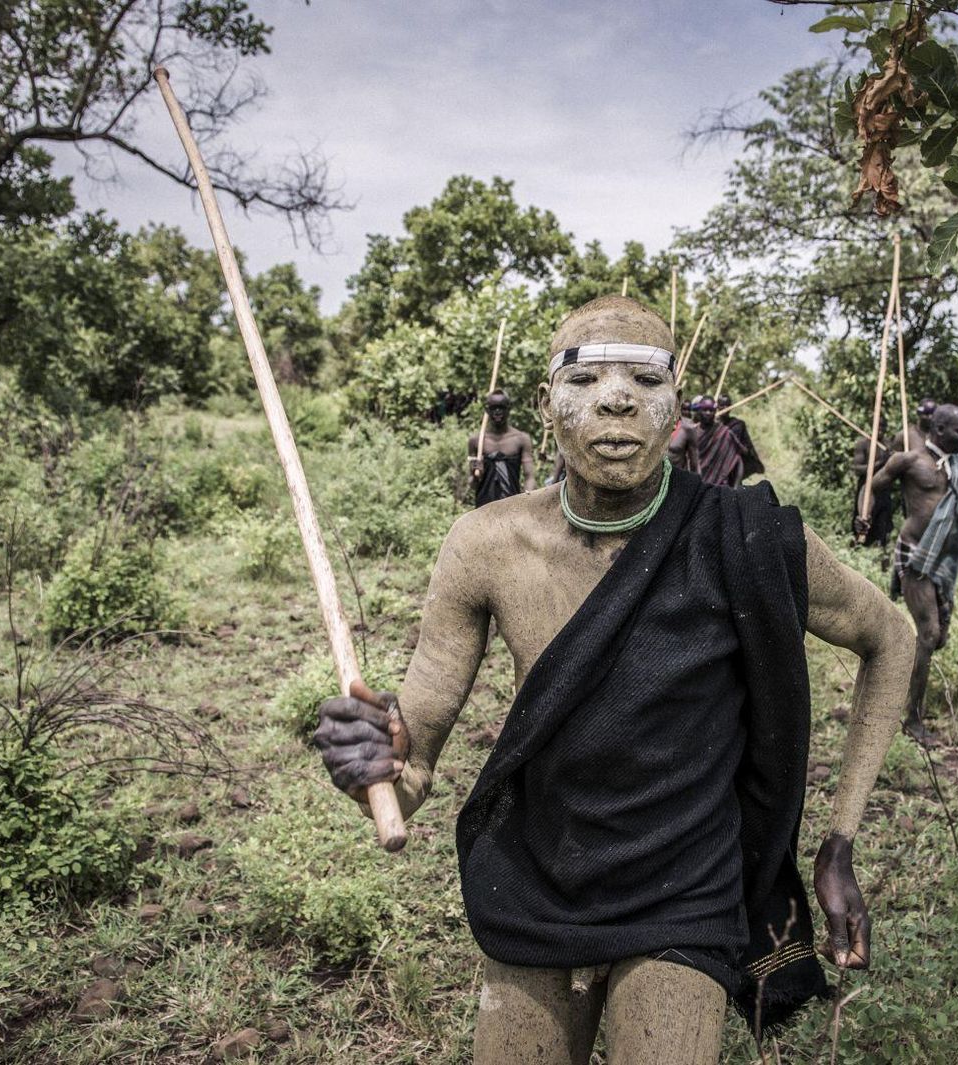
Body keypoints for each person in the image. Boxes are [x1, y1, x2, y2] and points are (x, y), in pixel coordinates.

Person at [311, 295, 915, 1064]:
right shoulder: (487, 543)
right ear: (547, 406)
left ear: (674, 408)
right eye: (586, 375)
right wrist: (377, 761)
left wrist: (839, 842)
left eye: (644, 375)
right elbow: (415, 762)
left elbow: (891, 638)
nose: (617, 395)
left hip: (683, 889)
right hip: (535, 877)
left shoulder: (744, 536)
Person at [865, 404, 958, 744]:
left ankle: (898, 674)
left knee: (937, 638)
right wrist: (865, 518)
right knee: (929, 635)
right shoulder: (909, 461)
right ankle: (912, 720)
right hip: (916, 554)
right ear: (940, 428)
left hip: (944, 561)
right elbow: (874, 486)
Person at [468, 390, 536, 506]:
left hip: (512, 505)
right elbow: (472, 484)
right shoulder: (476, 441)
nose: (497, 412)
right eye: (493, 408)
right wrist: (476, 474)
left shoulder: (521, 439)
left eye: (501, 407)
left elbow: (529, 477)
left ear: (509, 409)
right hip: (484, 508)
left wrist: (528, 501)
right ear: (487, 410)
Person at [850, 431, 895, 560]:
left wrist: (891, 459)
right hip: (866, 487)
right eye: (879, 426)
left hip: (883, 490)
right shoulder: (863, 443)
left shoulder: (888, 444)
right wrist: (880, 462)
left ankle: (881, 560)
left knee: (883, 529)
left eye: (884, 426)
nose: (881, 429)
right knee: (862, 523)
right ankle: (857, 557)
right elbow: (857, 469)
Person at [716, 392, 766, 483]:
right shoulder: (711, 425)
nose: (724, 409)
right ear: (717, 407)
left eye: (727, 406)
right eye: (722, 405)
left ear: (731, 407)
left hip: (732, 467)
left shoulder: (738, 425)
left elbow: (745, 448)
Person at [667, 392, 703, 473]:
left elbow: (694, 461)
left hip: (676, 477)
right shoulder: (659, 426)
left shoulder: (688, 428)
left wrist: (695, 481)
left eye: (688, 410)